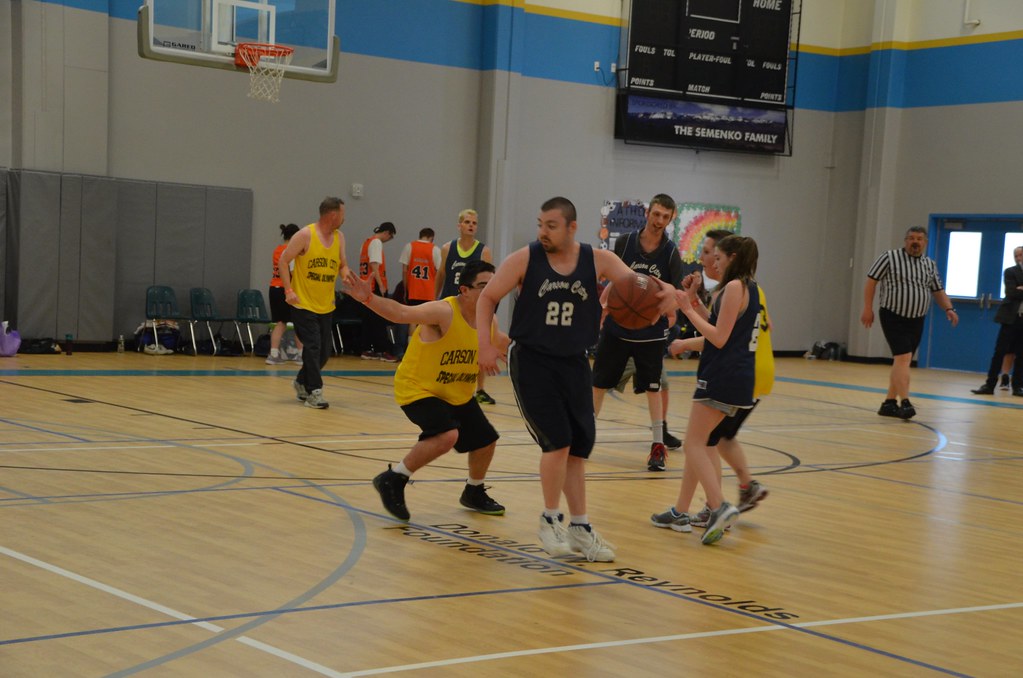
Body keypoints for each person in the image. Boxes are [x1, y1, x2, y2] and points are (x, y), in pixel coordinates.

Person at [477, 196, 675, 562]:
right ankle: (550, 519)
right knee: (557, 442)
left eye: (551, 225)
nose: (543, 232)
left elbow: (637, 285)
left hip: (574, 362)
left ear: (572, 227)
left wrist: (671, 294)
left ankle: (580, 527)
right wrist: (485, 345)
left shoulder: (597, 260)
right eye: (540, 224)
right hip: (533, 361)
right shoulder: (525, 258)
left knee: (580, 446)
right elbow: (487, 297)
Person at [349, 259, 509, 521]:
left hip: (455, 391)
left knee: (485, 441)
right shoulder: (444, 312)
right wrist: (368, 299)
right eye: (484, 285)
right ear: (464, 290)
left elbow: (502, 340)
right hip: (418, 388)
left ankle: (474, 491)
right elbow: (400, 313)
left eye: (495, 285)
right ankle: (394, 478)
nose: (491, 291)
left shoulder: (489, 320)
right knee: (447, 436)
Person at [650, 235, 761, 545]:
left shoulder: (735, 287)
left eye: (720, 257)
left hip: (722, 376)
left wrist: (686, 307)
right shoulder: (746, 288)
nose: (715, 261)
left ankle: (718, 506)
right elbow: (717, 331)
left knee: (693, 445)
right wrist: (695, 303)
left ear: (733, 257)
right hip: (738, 378)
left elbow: (720, 337)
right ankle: (682, 510)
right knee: (705, 446)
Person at [591, 193, 683, 472]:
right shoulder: (625, 243)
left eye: (665, 217)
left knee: (654, 389)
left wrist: (664, 315)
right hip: (618, 329)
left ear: (671, 219)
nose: (659, 220)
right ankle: (585, 436)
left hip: (650, 333)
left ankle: (657, 446)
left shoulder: (670, 253)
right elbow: (614, 279)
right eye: (656, 214)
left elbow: (674, 295)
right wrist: (602, 307)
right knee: (598, 384)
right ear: (648, 213)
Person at [861, 226, 959, 418]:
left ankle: (889, 403)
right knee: (904, 358)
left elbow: (938, 291)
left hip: (917, 318)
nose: (915, 242)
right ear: (905, 240)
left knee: (901, 362)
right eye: (911, 238)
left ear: (925, 243)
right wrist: (867, 308)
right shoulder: (889, 257)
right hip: (893, 315)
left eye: (919, 239)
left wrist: (949, 308)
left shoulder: (929, 264)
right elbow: (871, 281)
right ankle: (905, 402)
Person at [277, 197, 351, 409]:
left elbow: (343, 264)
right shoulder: (305, 235)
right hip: (302, 303)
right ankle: (314, 392)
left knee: (325, 351)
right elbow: (283, 261)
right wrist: (288, 290)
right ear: (333, 215)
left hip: (326, 304)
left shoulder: (340, 238)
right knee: (313, 345)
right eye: (343, 215)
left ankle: (301, 381)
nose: (344, 219)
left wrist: (345, 275)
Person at [437, 209, 496, 405]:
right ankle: (441, 385)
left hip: (474, 308)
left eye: (474, 223)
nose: (471, 225)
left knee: (478, 347)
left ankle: (479, 389)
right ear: (459, 225)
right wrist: (434, 299)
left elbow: (490, 281)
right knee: (446, 348)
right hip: (451, 305)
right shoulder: (447, 248)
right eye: (467, 222)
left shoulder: (483, 251)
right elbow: (441, 274)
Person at [971, 246, 1023, 396]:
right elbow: (1011, 292)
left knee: (1021, 354)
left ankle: (1018, 386)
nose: (1018, 257)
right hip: (1010, 318)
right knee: (1000, 351)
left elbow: (1018, 292)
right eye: (1016, 255)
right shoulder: (1010, 271)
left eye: (1021, 254)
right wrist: (1017, 290)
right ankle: (990, 384)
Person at [358, 221, 399, 362]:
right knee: (379, 319)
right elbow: (374, 265)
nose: (388, 240)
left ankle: (367, 349)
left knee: (368, 320)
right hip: (374, 286)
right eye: (391, 237)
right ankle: (382, 350)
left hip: (364, 286)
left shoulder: (366, 242)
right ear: (387, 232)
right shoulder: (376, 243)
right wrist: (381, 285)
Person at [266, 223, 304, 365]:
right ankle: (300, 355)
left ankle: (274, 354)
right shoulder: (291, 251)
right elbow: (293, 273)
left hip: (274, 288)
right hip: (286, 290)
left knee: (280, 323)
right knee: (298, 322)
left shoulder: (277, 249)